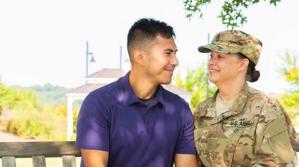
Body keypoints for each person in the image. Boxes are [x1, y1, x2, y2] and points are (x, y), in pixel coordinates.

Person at [75, 18, 198, 167]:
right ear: (139, 56)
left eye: (175, 53)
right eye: (168, 53)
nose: (175, 61)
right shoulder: (98, 104)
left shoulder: (180, 109)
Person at [194, 30, 297, 166]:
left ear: (242, 64)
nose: (211, 62)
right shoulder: (201, 110)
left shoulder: (266, 107)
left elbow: (281, 162)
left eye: (220, 57)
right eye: (211, 56)